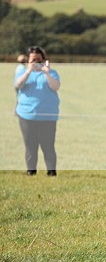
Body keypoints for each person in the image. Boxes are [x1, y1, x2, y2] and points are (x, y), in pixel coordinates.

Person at [14, 46, 60, 176]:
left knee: (48, 146)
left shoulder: (52, 73)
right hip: (27, 116)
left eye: (39, 60)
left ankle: (51, 172)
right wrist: (28, 71)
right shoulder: (22, 72)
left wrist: (47, 72)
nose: (36, 62)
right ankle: (31, 172)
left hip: (48, 116)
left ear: (44, 60)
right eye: (33, 60)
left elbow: (55, 86)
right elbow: (18, 84)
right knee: (30, 146)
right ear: (28, 61)